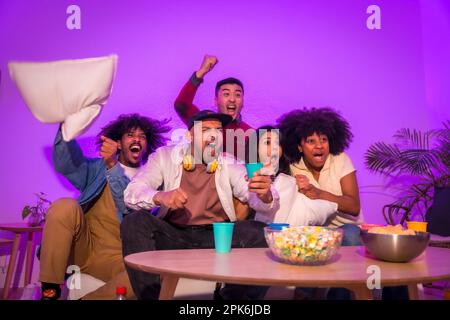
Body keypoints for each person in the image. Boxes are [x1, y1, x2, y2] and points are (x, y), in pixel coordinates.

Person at [121, 110, 279, 300]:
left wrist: (265, 195)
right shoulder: (165, 156)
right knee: (134, 221)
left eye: (218, 130)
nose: (213, 136)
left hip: (217, 237)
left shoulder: (229, 163)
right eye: (205, 130)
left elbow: (251, 192)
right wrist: (160, 196)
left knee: (261, 232)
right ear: (189, 135)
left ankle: (231, 300)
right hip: (174, 234)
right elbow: (132, 192)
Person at [39, 114, 170, 300]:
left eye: (142, 137)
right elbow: (66, 165)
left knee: (149, 276)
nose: (137, 140)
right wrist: (65, 125)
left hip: (118, 257)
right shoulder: (96, 169)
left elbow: (129, 208)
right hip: (83, 248)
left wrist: (112, 165)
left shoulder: (152, 180)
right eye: (130, 135)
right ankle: (49, 290)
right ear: (118, 142)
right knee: (64, 206)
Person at [174, 55, 254, 220]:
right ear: (216, 101)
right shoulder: (202, 123)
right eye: (226, 94)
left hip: (234, 198)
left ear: (243, 101)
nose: (232, 98)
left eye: (238, 95)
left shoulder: (251, 134)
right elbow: (181, 104)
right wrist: (201, 72)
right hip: (199, 194)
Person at [251, 126, 338, 226]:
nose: (274, 147)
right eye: (267, 142)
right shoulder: (244, 174)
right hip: (254, 233)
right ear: (255, 148)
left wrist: (306, 190)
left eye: (277, 143)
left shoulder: (288, 180)